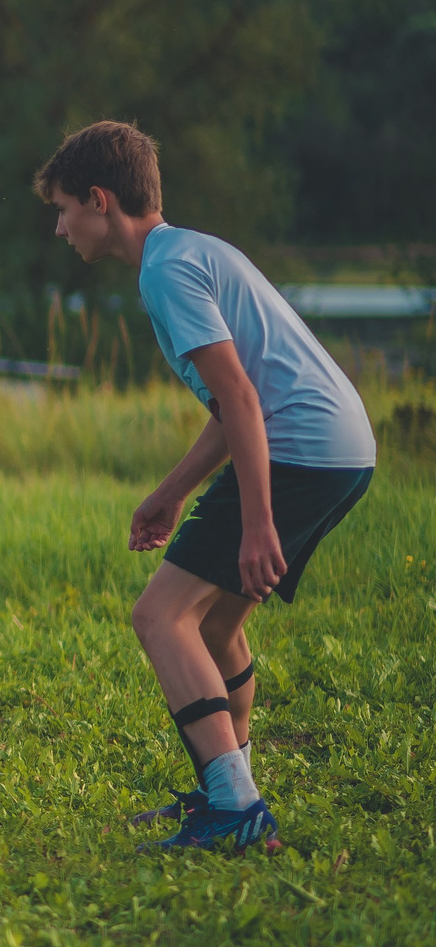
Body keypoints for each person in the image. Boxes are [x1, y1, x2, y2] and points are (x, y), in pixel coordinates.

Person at [36, 120, 376, 853]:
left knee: (160, 616)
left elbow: (247, 401)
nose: (61, 228)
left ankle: (237, 809)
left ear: (101, 200)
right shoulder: (191, 252)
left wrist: (258, 524)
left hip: (302, 449)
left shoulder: (164, 270)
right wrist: (174, 490)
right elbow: (231, 409)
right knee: (215, 623)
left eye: (64, 209)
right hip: (344, 449)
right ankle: (230, 789)